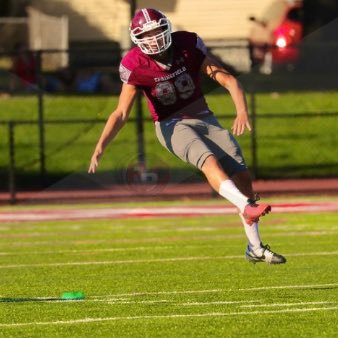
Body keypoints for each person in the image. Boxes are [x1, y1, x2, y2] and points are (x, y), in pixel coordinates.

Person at [88, 8, 286, 264]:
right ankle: (246, 207)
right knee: (209, 162)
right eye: (147, 34)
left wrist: (241, 111)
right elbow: (121, 113)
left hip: (204, 117)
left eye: (158, 31)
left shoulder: (187, 45)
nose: (154, 38)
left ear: (167, 28)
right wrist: (101, 146)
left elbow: (227, 79)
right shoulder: (135, 64)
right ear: (137, 38)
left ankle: (255, 247)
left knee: (243, 177)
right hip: (171, 124)